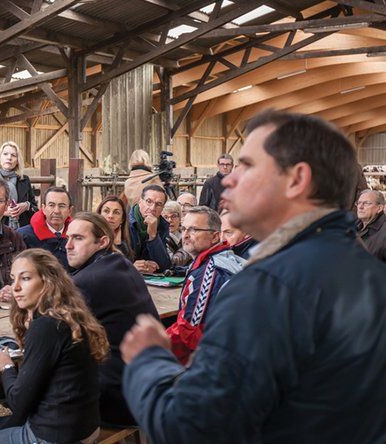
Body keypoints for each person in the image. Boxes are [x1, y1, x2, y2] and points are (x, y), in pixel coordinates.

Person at [120, 110, 386, 443]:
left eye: (247, 166)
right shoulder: (367, 272)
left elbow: (191, 427)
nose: (229, 179)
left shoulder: (268, 287)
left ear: (296, 179)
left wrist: (149, 361)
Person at [0, 249, 109, 443]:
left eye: (25, 278)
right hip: (85, 427)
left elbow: (19, 403)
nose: (15, 287)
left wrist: (6, 366)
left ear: (48, 282)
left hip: (54, 436)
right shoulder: (70, 315)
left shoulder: (47, 326)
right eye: (12, 278)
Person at [67, 213, 158, 427]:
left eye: (78, 238)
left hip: (115, 400)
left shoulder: (86, 281)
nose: (68, 245)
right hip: (146, 389)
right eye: (68, 238)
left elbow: (52, 336)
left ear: (103, 242)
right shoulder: (122, 265)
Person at [166, 206, 244, 364]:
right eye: (184, 228)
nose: (186, 235)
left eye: (194, 229)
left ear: (215, 237)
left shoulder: (211, 270)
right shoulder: (223, 258)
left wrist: (152, 348)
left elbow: (189, 332)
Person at [17, 186, 73, 268]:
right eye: (51, 205)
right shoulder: (22, 236)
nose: (56, 211)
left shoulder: (76, 236)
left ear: (70, 211)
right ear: (43, 208)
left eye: (62, 206)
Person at [0, 141, 37, 229]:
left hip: (21, 231)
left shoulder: (24, 180)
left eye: (13, 155)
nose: (9, 158)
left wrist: (26, 206)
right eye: (5, 154)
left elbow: (35, 208)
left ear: (17, 161)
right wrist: (3, 212)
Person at [128, 184, 172, 273]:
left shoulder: (163, 225)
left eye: (158, 204)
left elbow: (164, 266)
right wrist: (130, 266)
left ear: (163, 207)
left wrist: (153, 236)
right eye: (149, 201)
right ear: (140, 201)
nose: (152, 208)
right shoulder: (124, 221)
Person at [96, 194, 133, 259]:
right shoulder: (90, 238)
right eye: (106, 211)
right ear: (99, 214)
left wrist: (118, 244)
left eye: (116, 213)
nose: (110, 216)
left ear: (122, 219)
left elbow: (124, 266)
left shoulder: (125, 244)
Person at [355, 189, 386, 260]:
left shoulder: (383, 232)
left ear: (379, 208)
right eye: (359, 203)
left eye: (366, 203)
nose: (360, 207)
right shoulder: (353, 226)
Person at [162, 201, 192, 266]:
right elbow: (172, 262)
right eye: (166, 217)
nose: (170, 220)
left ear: (180, 218)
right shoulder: (160, 238)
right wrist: (190, 247)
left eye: (174, 216)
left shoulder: (187, 234)